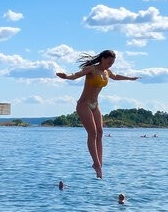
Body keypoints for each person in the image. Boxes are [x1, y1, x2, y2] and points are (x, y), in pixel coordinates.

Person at [56, 50, 139, 178]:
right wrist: (66, 76)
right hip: (84, 104)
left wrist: (130, 78)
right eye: (109, 62)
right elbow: (76, 75)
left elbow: (116, 76)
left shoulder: (107, 72)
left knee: (100, 133)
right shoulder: (91, 69)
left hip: (95, 105)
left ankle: (99, 164)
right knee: (93, 133)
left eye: (112, 63)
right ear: (103, 59)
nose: (110, 65)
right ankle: (96, 163)